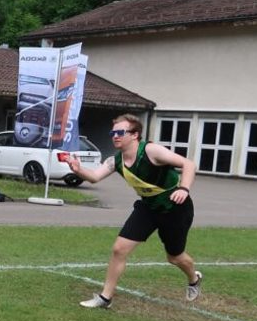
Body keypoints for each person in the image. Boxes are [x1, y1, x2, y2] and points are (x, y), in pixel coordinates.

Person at [66, 114, 202, 309]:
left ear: (135, 135)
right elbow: (95, 177)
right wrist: (78, 169)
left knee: (175, 257)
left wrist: (183, 188)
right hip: (147, 208)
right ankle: (105, 298)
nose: (115, 136)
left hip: (175, 208)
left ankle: (193, 279)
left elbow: (188, 164)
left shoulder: (151, 150)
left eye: (120, 132)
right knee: (119, 249)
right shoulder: (116, 161)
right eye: (113, 132)